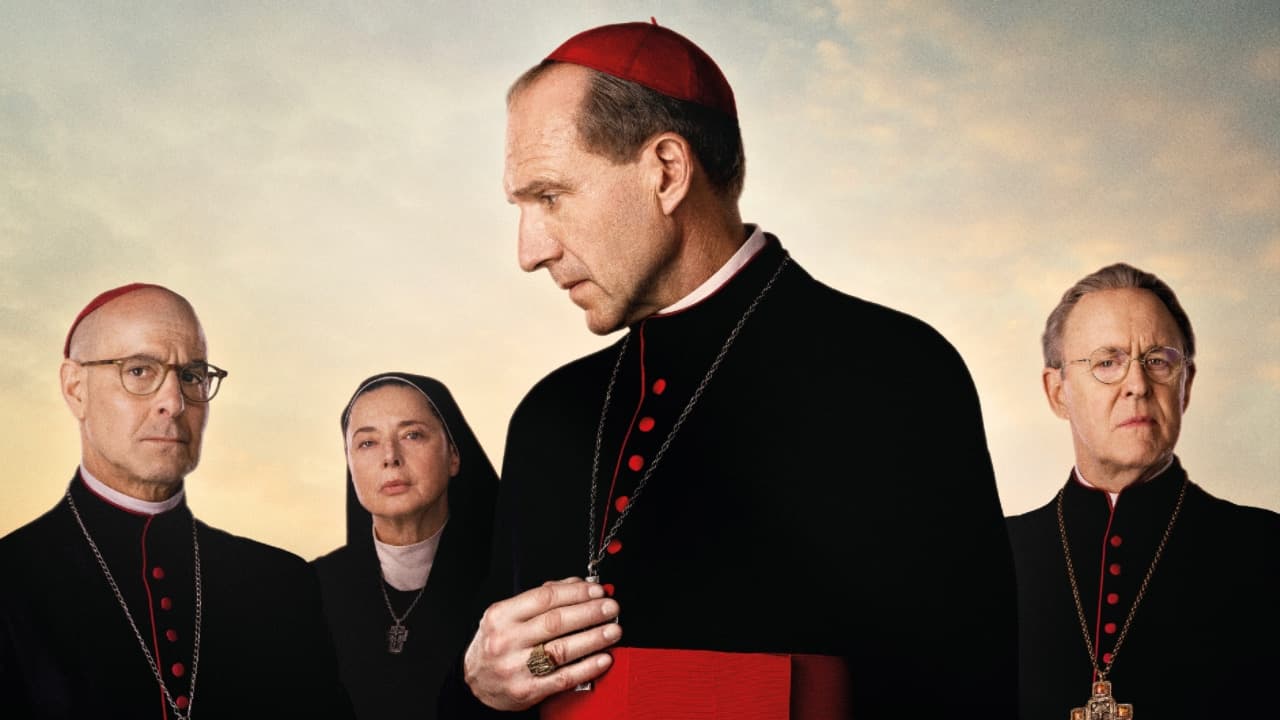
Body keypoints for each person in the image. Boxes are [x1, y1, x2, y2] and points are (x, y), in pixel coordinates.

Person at [447, 21, 1018, 718]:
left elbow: (969, 693)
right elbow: (491, 692)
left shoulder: (897, 373)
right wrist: (483, 682)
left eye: (550, 197)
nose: (529, 251)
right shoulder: (549, 413)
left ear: (665, 171)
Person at [0, 283, 355, 719]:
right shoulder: (11, 580)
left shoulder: (282, 585)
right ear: (76, 388)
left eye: (191, 376)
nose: (174, 402)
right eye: (139, 371)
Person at [1007, 263, 1280, 719]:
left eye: (1158, 361)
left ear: (1185, 387)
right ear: (1058, 392)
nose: (1137, 385)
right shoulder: (992, 557)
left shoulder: (1267, 549)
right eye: (1107, 362)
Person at [313, 372, 498, 720]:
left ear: (454, 455)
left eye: (412, 435)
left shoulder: (508, 581)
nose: (390, 457)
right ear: (349, 464)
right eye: (367, 443)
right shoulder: (310, 589)